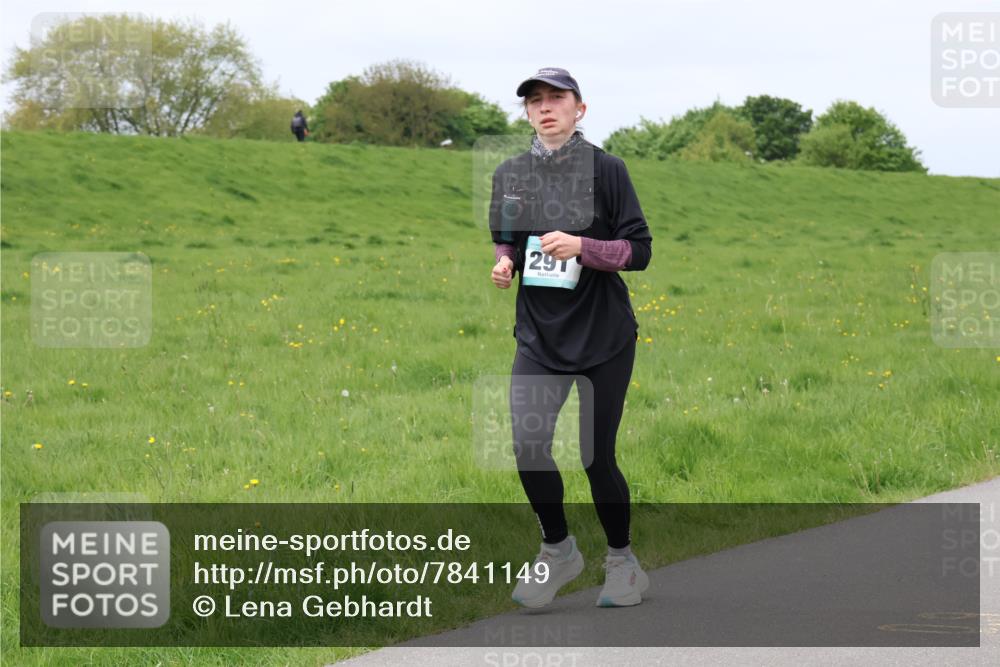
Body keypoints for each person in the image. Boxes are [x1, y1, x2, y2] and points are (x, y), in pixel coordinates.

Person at [488, 67, 653, 608]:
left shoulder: (608, 170)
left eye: (556, 97)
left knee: (594, 457)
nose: (544, 107)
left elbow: (639, 250)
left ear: (579, 109)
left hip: (603, 336)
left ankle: (623, 562)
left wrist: (585, 246)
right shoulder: (509, 175)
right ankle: (558, 551)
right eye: (534, 100)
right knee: (529, 448)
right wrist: (505, 263)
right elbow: (507, 239)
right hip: (539, 336)